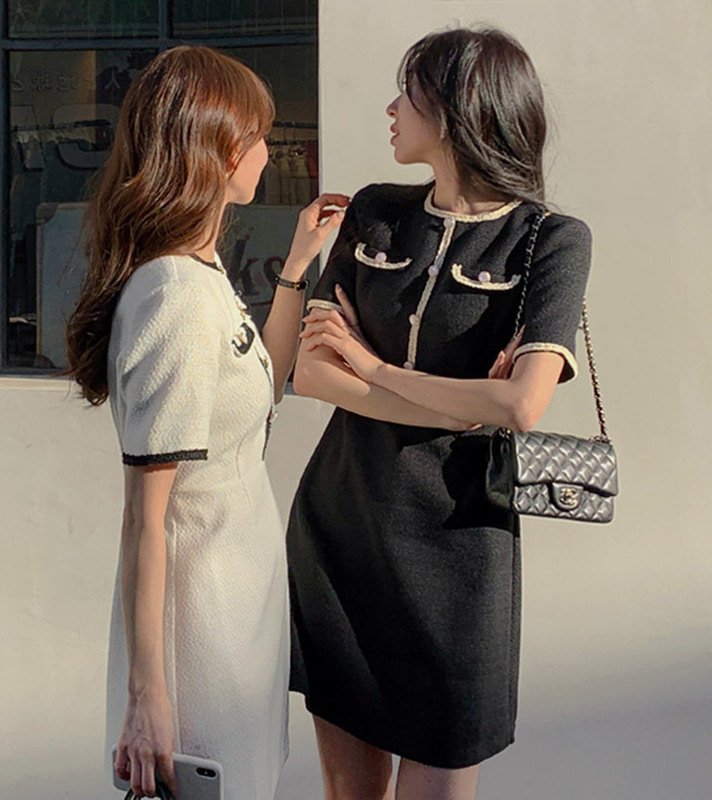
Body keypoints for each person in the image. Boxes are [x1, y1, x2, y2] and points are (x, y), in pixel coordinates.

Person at [288, 27, 592, 800]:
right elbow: (310, 373)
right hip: (342, 534)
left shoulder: (550, 242)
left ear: (460, 109)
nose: (391, 108)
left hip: (461, 559)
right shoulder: (375, 212)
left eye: (410, 92)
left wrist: (375, 368)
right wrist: (460, 408)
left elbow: (521, 404)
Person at [65, 46, 347, 800]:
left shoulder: (201, 272)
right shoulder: (177, 298)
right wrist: (147, 698)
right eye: (261, 136)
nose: (270, 152)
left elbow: (265, 385)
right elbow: (145, 519)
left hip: (238, 607)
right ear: (223, 152)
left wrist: (297, 266)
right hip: (200, 636)